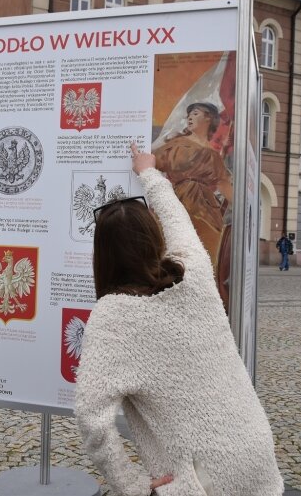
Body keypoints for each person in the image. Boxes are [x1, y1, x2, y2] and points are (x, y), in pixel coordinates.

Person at [75, 142, 283, 496]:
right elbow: (177, 218)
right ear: (154, 238)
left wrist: (132, 485)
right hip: (256, 452)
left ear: (103, 256)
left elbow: (91, 416)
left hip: (200, 480)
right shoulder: (196, 271)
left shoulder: (113, 316)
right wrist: (148, 172)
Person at [153, 102, 233, 312]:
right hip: (179, 203)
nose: (189, 117)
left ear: (208, 118)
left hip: (208, 211)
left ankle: (204, 308)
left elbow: (225, 186)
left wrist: (244, 206)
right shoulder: (177, 144)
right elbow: (154, 162)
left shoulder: (214, 155)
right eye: (188, 114)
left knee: (206, 259)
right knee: (173, 255)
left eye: (195, 113)